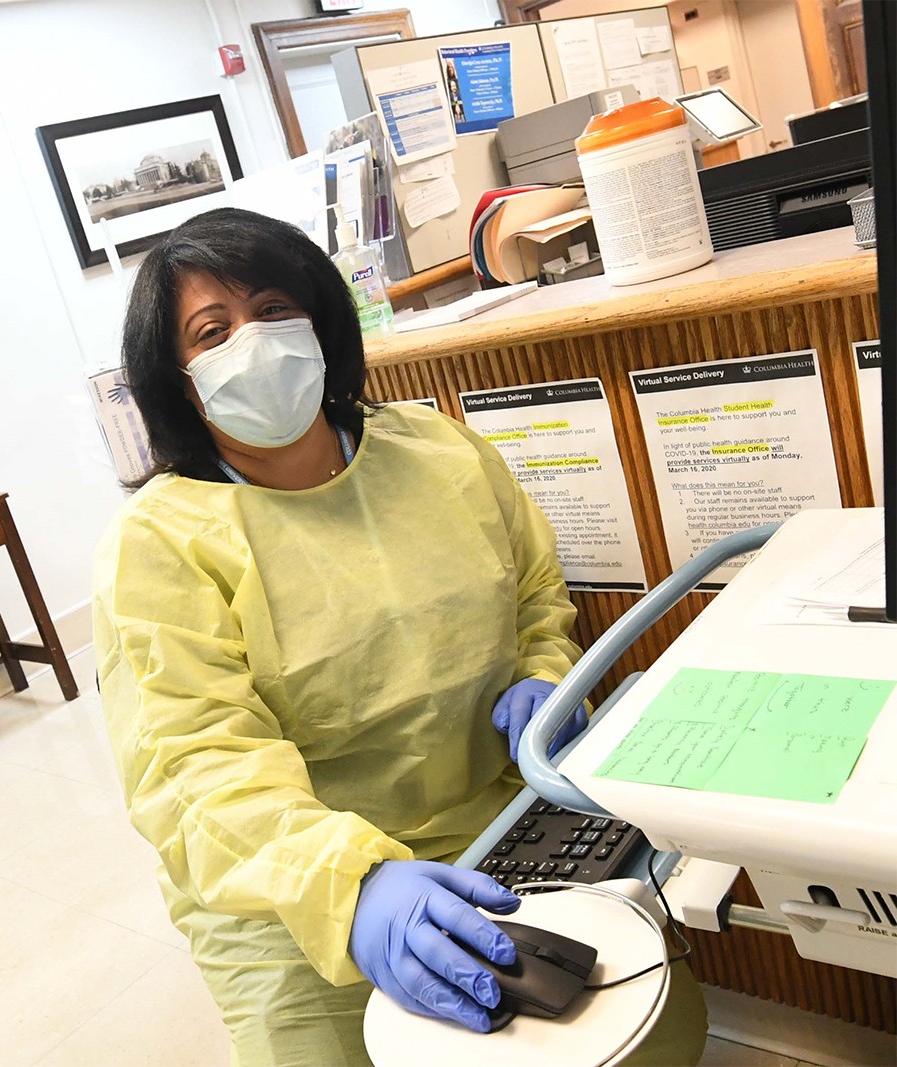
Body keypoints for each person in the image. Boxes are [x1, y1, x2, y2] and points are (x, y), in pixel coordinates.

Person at [91, 207, 707, 1066]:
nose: (254, 343)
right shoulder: (157, 545)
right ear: (176, 375)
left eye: (273, 309)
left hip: (497, 822)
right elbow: (197, 769)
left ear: (321, 318)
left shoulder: (436, 450)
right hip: (290, 888)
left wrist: (544, 673)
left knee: (641, 1032)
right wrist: (356, 884)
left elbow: (532, 587)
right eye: (213, 330)